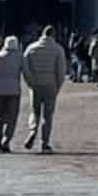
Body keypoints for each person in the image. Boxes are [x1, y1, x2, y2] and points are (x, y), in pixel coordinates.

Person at [20, 24, 68, 153]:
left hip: (35, 85)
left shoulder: (31, 48)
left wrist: (30, 82)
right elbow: (61, 70)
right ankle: (44, 142)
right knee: (48, 116)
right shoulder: (58, 49)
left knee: (34, 112)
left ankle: (32, 131)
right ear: (54, 35)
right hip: (50, 85)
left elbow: (25, 67)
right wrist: (58, 85)